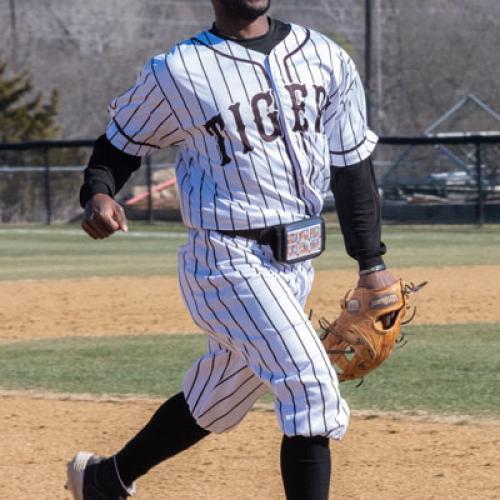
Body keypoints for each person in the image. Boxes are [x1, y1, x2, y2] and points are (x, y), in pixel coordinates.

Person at [66, 1, 396, 498]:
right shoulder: (177, 71)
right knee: (310, 386)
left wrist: (371, 263)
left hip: (296, 264)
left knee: (216, 398)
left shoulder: (326, 58)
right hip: (225, 262)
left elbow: (351, 166)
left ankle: (105, 479)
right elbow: (118, 146)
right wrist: (98, 191)